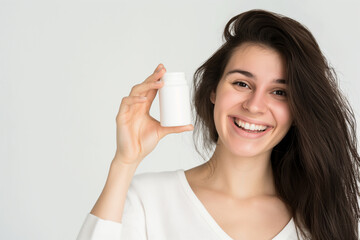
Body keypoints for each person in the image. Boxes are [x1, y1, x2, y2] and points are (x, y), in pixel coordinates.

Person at [77, 9, 360, 240]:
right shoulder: (148, 201)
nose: (254, 105)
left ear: (298, 111)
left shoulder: (316, 219)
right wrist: (124, 163)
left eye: (279, 92)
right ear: (213, 90)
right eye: (241, 83)